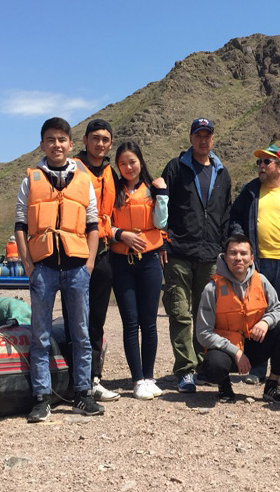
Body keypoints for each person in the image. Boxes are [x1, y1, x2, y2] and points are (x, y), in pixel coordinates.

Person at [14, 117, 103, 422]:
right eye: (50, 139)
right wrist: (28, 265)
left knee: (81, 334)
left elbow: (93, 225)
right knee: (39, 335)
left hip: (77, 267)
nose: (56, 145)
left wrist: (89, 263)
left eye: (62, 139)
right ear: (42, 144)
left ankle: (83, 394)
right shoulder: (30, 181)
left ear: (70, 144)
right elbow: (20, 226)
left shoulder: (84, 181)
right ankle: (41, 398)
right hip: (43, 268)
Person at [161, 118, 232, 393]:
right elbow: (162, 205)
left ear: (212, 139)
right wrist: (164, 242)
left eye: (207, 135)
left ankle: (203, 366)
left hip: (210, 255)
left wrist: (223, 247)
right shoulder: (176, 167)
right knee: (180, 312)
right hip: (179, 252)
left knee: (206, 315)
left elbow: (226, 213)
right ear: (190, 138)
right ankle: (185, 370)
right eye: (198, 135)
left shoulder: (221, 173)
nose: (203, 140)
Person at [229, 143, 280, 385]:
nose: (261, 166)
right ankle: (257, 369)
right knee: (256, 314)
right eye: (259, 162)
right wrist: (240, 241)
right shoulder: (250, 191)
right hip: (257, 262)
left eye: (266, 162)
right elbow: (235, 218)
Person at [196, 234, 280, 404]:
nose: (238, 258)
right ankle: (224, 385)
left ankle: (272, 385)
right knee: (213, 365)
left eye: (243, 253)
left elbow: (279, 311)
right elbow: (203, 333)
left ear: (251, 258)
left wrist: (265, 322)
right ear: (225, 257)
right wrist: (236, 352)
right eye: (233, 253)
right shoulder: (212, 288)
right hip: (226, 350)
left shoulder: (261, 281)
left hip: (254, 344)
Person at [64, 119, 121, 402]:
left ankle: (93, 378)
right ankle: (72, 380)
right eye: (95, 138)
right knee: (74, 318)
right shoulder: (71, 169)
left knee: (97, 318)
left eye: (105, 140)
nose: (100, 144)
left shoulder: (112, 173)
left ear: (110, 144)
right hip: (74, 251)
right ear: (85, 141)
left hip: (102, 252)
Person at [110, 141, 168, 400]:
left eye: (132, 162)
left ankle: (149, 376)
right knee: (130, 322)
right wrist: (121, 235)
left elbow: (161, 222)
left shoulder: (152, 189)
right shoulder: (113, 191)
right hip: (122, 262)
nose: (128, 167)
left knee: (149, 321)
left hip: (150, 261)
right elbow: (104, 223)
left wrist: (163, 193)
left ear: (140, 162)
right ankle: (137, 379)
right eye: (122, 163)